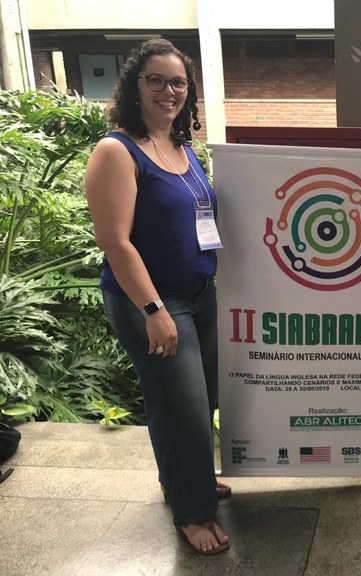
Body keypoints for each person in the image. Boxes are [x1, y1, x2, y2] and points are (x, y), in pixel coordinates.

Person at [85, 39, 230, 555]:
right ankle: (194, 512)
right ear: (134, 85)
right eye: (156, 81)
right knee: (182, 406)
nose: (169, 91)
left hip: (200, 293)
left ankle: (185, 480)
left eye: (179, 83)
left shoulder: (182, 147)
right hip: (152, 301)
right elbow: (115, 242)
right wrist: (154, 310)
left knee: (196, 400)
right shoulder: (116, 151)